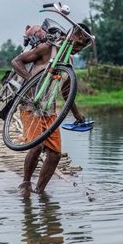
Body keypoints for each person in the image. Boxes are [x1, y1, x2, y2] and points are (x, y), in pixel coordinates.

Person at [11, 24, 90, 194]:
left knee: (55, 154)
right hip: (30, 105)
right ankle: (25, 183)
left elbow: (66, 89)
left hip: (50, 110)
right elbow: (17, 61)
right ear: (73, 36)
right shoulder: (47, 49)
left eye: (82, 47)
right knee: (37, 146)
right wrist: (30, 80)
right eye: (79, 44)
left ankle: (40, 191)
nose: (79, 49)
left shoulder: (68, 61)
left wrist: (76, 113)